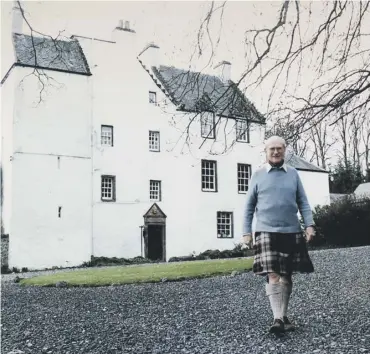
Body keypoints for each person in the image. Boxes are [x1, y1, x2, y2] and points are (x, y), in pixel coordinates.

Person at [242, 135, 315, 334]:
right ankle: (277, 319)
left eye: (279, 148)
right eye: (271, 149)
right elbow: (249, 206)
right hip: (266, 231)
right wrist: (246, 232)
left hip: (291, 231)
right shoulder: (257, 175)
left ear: (284, 150)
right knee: (273, 274)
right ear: (265, 151)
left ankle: (282, 316)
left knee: (287, 275)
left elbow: (303, 202)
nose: (275, 152)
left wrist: (309, 225)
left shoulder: (293, 174)